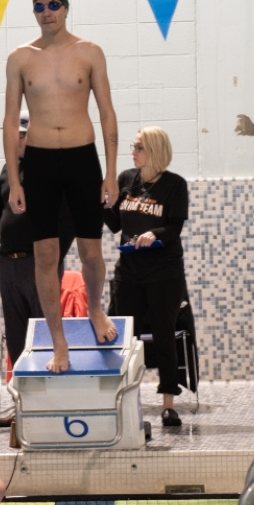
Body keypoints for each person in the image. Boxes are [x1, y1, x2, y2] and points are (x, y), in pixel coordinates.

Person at [3, 0, 119, 373]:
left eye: (54, 4)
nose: (47, 11)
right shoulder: (20, 58)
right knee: (46, 255)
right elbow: (8, 120)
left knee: (91, 252)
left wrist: (112, 173)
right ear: (34, 13)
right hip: (39, 162)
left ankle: (95, 309)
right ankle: (58, 342)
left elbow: (106, 112)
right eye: (39, 6)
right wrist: (15, 181)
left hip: (83, 158)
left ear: (66, 9)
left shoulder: (89, 52)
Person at [0, 112, 74, 425]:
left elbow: (71, 220)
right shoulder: (9, 170)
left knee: (44, 335)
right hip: (8, 262)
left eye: (20, 134)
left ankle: (49, 404)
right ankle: (23, 405)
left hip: (40, 264)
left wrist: (52, 256)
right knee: (17, 337)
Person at [104, 127, 193, 426]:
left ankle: (168, 403)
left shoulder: (174, 185)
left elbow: (174, 229)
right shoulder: (126, 179)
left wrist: (153, 233)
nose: (133, 151)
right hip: (128, 271)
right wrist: (101, 203)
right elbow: (116, 225)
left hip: (163, 273)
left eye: (138, 146)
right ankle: (128, 400)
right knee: (126, 337)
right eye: (133, 146)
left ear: (153, 150)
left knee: (164, 336)